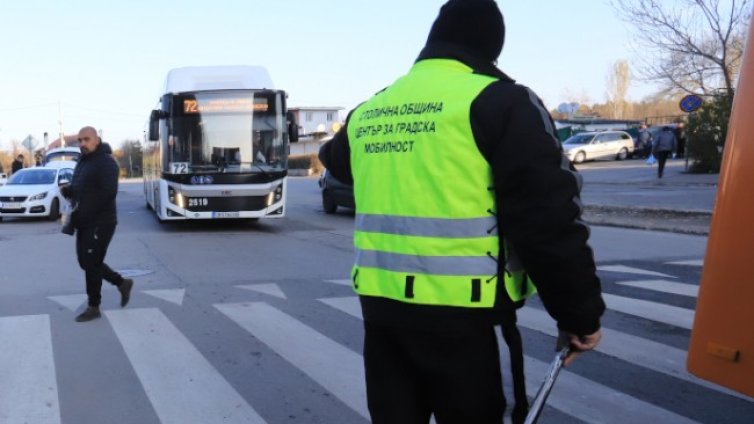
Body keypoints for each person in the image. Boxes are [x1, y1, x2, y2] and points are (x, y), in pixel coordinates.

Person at [319, 1, 605, 422]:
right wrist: (578, 314)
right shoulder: (500, 102)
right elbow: (547, 219)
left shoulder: (371, 110)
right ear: (491, 48)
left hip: (383, 313)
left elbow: (334, 159)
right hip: (470, 319)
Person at [60, 126, 133, 322]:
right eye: (80, 140)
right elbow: (82, 188)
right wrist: (70, 190)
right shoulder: (83, 161)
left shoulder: (106, 162)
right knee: (86, 262)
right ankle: (121, 283)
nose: (82, 143)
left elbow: (108, 193)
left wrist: (85, 208)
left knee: (91, 263)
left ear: (97, 140)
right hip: (84, 221)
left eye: (86, 139)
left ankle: (94, 306)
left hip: (101, 222)